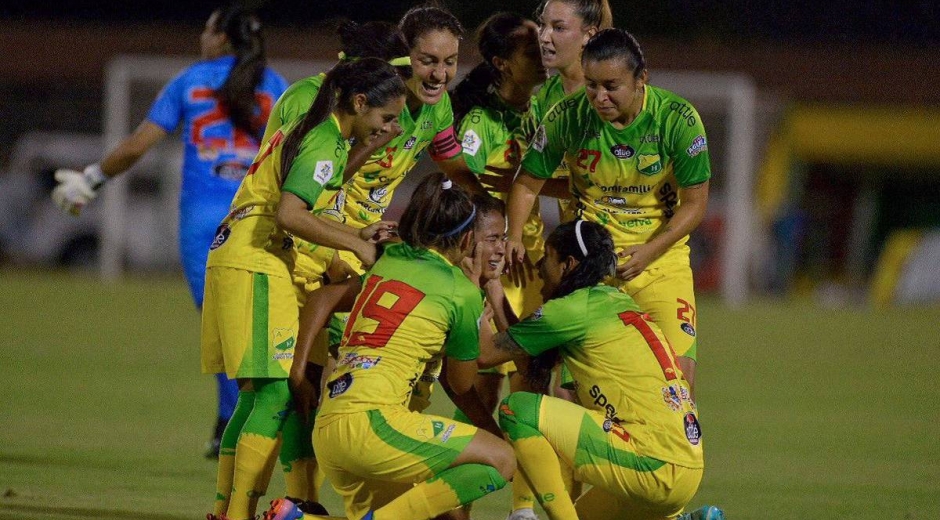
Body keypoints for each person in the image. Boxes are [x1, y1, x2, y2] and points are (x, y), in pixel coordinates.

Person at [50, 5, 289, 457]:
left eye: (207, 27)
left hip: (204, 221)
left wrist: (91, 179)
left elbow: (140, 144)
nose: (202, 34)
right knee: (253, 322)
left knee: (222, 325)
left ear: (220, 38)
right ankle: (238, 423)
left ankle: (236, 427)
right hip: (258, 215)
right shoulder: (275, 85)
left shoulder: (191, 81)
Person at [200, 58, 406, 520]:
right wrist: (356, 242)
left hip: (239, 253)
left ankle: (224, 511)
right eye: (386, 117)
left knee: (257, 395)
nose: (392, 127)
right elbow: (291, 215)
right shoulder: (324, 138)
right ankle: (237, 514)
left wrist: (367, 150)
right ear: (358, 102)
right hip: (257, 258)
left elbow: (319, 187)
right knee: (275, 395)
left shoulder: (318, 128)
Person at [265, 173, 515, 520]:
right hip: (376, 427)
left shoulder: (391, 259)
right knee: (502, 460)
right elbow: (462, 381)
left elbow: (322, 298)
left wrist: (298, 371)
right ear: (468, 238)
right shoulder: (460, 291)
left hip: (332, 429)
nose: (499, 247)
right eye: (493, 238)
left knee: (438, 512)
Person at [506, 28, 711, 393]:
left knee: (678, 385)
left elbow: (695, 205)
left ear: (641, 78)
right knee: (578, 390)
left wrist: (649, 251)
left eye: (611, 86)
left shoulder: (677, 119)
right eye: (591, 85)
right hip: (589, 266)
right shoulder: (566, 117)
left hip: (660, 262)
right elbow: (526, 183)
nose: (599, 97)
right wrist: (513, 235)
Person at [480, 220, 722, 520]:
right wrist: (493, 288)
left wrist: (473, 293)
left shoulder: (570, 311)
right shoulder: (613, 301)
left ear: (568, 265)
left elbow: (485, 354)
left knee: (517, 410)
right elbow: (530, 367)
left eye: (548, 257)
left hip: (651, 464)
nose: (540, 266)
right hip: (686, 469)